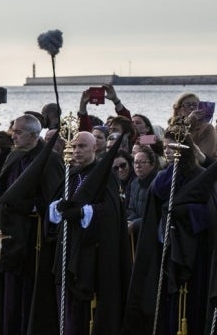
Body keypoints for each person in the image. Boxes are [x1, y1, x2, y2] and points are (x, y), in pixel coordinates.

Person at [123, 129, 216, 335]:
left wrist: (187, 211)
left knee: (191, 297)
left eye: (174, 147)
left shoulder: (201, 176)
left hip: (194, 249)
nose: (169, 152)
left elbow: (210, 213)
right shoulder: (165, 176)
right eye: (166, 148)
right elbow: (157, 197)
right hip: (165, 244)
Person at [48, 132, 131, 335]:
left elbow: (111, 212)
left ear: (95, 148)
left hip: (91, 251)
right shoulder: (71, 174)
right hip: (67, 245)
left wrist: (82, 212)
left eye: (82, 146)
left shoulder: (105, 176)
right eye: (74, 147)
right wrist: (59, 207)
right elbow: (54, 207)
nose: (77, 151)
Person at [0, 114, 64, 335]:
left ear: (34, 135)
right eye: (13, 131)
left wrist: (30, 206)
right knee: (10, 290)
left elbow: (54, 199)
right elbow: (4, 191)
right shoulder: (14, 156)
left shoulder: (49, 160)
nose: (13, 136)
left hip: (34, 236)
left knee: (28, 290)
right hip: (10, 233)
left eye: (19, 132)